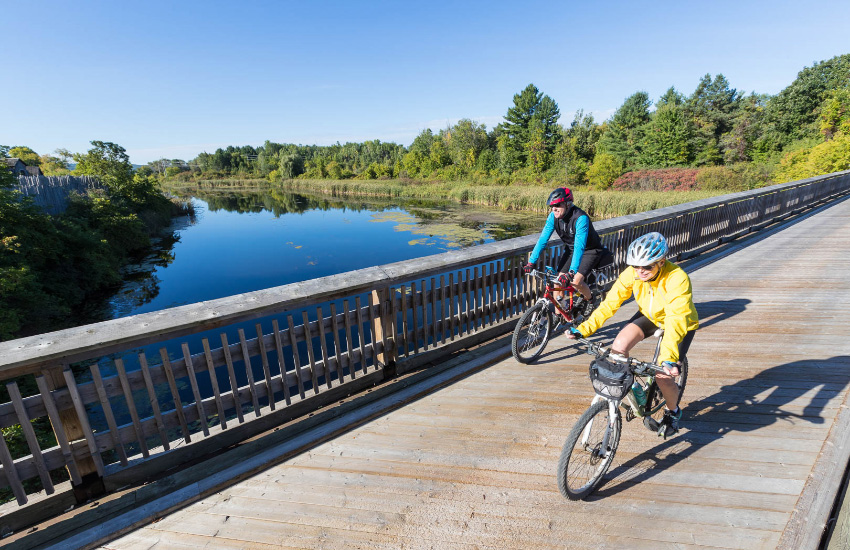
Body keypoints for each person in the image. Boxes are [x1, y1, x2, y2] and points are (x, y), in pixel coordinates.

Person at [567, 232, 699, 438]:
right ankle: (636, 389)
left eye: (647, 266)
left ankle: (673, 412)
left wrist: (669, 359)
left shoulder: (677, 278)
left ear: (661, 262)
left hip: (680, 322)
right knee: (618, 347)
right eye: (636, 266)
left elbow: (676, 319)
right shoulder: (632, 274)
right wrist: (584, 328)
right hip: (650, 315)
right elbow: (611, 303)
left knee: (663, 377)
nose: (640, 271)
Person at [523, 187, 613, 316]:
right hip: (571, 250)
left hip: (590, 251)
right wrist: (531, 262)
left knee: (575, 281)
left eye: (558, 205)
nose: (554, 208)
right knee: (557, 281)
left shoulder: (580, 218)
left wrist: (571, 272)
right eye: (552, 206)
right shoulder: (553, 217)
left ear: (568, 204)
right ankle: (558, 315)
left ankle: (590, 300)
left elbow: (579, 247)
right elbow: (543, 240)